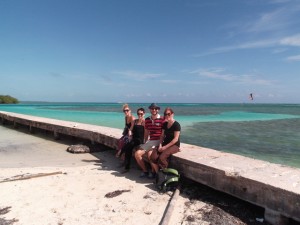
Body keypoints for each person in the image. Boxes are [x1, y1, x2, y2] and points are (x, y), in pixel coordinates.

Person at [134, 103, 164, 178]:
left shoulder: (162, 119)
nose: (154, 110)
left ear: (158, 110)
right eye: (152, 108)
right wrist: (145, 141)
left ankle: (155, 173)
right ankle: (145, 171)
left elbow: (165, 132)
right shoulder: (147, 120)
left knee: (150, 155)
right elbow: (147, 131)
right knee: (137, 154)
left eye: (155, 108)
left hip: (159, 141)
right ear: (150, 109)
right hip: (150, 141)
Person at [150, 107, 181, 173]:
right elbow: (162, 136)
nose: (167, 116)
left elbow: (176, 139)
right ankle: (158, 174)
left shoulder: (176, 125)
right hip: (165, 143)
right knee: (153, 157)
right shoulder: (164, 124)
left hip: (174, 145)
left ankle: (165, 174)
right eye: (165, 114)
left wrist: (164, 147)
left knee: (162, 158)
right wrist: (160, 145)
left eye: (168, 114)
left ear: (172, 114)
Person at [120, 108, 145, 173]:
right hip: (134, 139)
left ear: (144, 114)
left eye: (141, 114)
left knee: (129, 146)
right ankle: (126, 167)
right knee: (128, 148)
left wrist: (146, 141)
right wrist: (130, 134)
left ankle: (121, 152)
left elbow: (147, 133)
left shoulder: (144, 122)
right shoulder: (135, 121)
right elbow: (130, 129)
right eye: (138, 114)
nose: (139, 115)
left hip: (140, 140)